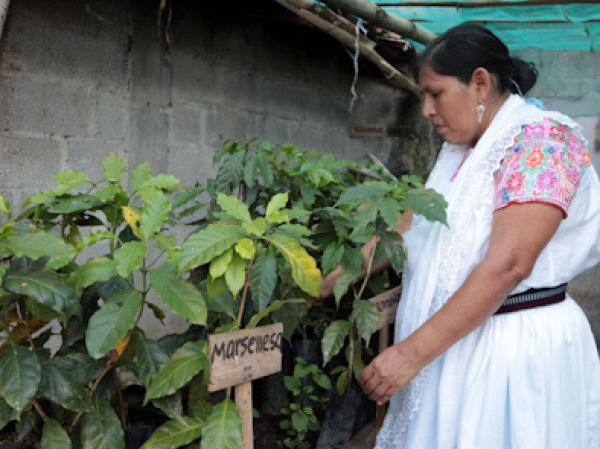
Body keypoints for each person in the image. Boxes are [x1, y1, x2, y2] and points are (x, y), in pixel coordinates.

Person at [320, 23, 600, 449]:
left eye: (436, 94)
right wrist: (328, 280)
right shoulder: (462, 152)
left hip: (511, 354)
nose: (427, 110)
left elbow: (509, 264)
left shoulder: (543, 141)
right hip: (455, 344)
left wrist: (408, 355)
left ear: (480, 83)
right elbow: (410, 226)